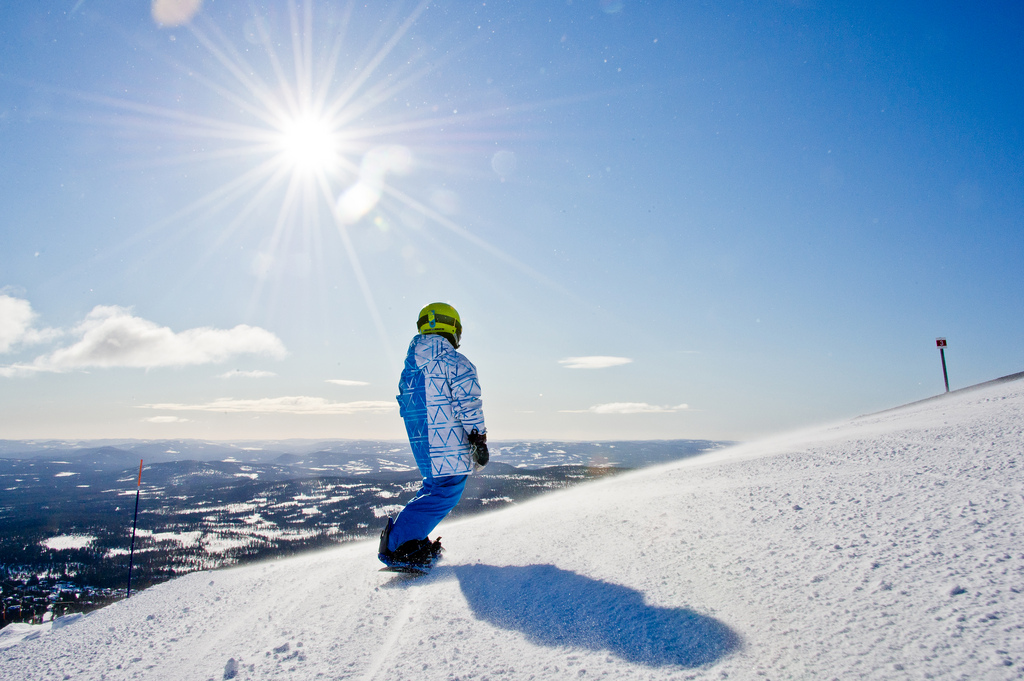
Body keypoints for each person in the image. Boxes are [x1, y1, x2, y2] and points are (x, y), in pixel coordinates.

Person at [378, 302, 489, 569]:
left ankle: (411, 540)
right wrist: (478, 439)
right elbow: (468, 403)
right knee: (446, 491)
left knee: (433, 487)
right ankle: (396, 545)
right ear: (453, 328)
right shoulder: (456, 363)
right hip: (445, 438)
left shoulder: (412, 366)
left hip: (422, 440)